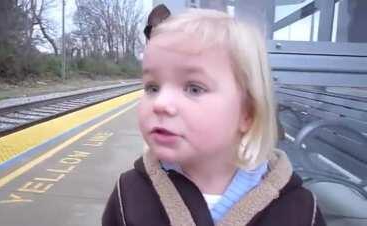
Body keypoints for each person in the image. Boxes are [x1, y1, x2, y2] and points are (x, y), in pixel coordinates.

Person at [102, 5, 326, 226]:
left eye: (194, 88)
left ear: (247, 113)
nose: (160, 104)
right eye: (152, 87)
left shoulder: (300, 212)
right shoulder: (129, 195)